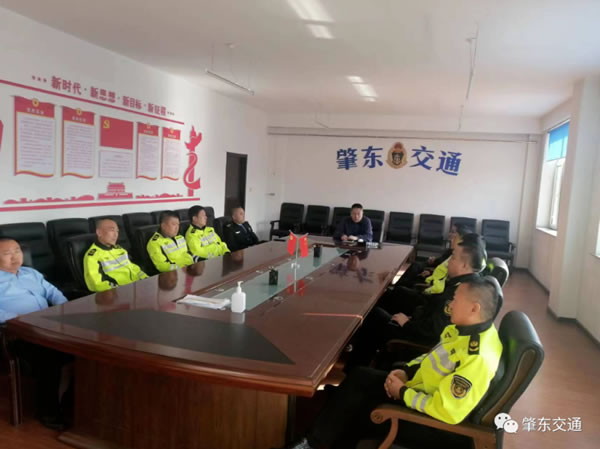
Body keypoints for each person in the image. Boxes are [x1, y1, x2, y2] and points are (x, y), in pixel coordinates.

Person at [281, 276, 502, 449]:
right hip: (419, 390)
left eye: (455, 300)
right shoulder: (464, 330)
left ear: (474, 308)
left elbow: (447, 411)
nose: (450, 305)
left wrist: (403, 393)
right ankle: (313, 440)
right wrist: (406, 371)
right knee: (360, 375)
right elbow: (430, 357)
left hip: (432, 422)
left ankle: (313, 443)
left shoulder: (477, 357)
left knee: (357, 410)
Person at [350, 235, 487, 365]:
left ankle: (355, 366)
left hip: (420, 338)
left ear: (464, 265)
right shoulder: (463, 283)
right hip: (420, 322)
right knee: (390, 299)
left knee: (373, 316)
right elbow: (434, 312)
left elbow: (434, 330)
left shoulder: (460, 292)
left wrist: (407, 323)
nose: (449, 262)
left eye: (453, 258)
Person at [0, 237, 71, 429]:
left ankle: (70, 401)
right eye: (7, 253)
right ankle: (47, 412)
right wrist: (19, 319)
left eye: (17, 251)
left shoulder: (31, 273)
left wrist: (65, 309)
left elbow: (53, 292)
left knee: (85, 351)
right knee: (50, 358)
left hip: (48, 326)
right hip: (15, 334)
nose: (15, 257)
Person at [84, 218, 148, 292]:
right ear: (99, 233)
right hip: (117, 293)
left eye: (117, 231)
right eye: (112, 230)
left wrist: (146, 279)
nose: (116, 235)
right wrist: (120, 290)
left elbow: (132, 268)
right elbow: (96, 284)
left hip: (136, 288)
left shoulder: (119, 249)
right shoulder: (92, 256)